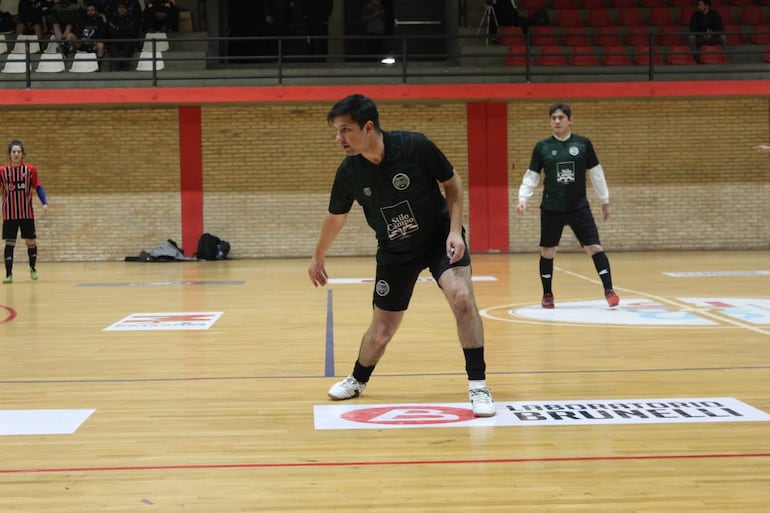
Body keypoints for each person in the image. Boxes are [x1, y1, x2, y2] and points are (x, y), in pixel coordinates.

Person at [307, 94, 496, 418]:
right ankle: (357, 379)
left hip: (439, 239)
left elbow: (452, 184)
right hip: (396, 251)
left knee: (461, 297)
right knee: (383, 329)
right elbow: (336, 216)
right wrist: (318, 256)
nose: (339, 138)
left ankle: (478, 384)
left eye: (345, 130)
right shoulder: (349, 172)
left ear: (368, 127)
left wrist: (455, 231)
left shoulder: (414, 146)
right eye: (337, 131)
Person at [516, 103, 620, 309]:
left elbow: (596, 173)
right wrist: (523, 198)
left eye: (561, 118)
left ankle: (609, 290)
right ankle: (547, 294)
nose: (557, 121)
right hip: (551, 208)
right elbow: (532, 176)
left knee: (594, 247)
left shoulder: (583, 144)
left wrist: (605, 200)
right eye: (553, 118)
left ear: (569, 120)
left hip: (578, 206)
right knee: (547, 251)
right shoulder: (542, 147)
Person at [1, 140, 48, 284]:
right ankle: (9, 274)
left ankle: (32, 268)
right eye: (13, 152)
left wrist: (44, 203)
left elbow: (38, 187)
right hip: (10, 213)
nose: (16, 154)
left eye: (18, 152)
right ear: (9, 154)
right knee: (10, 243)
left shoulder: (30, 170)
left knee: (30, 241)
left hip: (26, 213)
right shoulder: (3, 171)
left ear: (22, 154)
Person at [106, 0, 141, 70]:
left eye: (123, 8)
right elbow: (111, 31)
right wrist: (124, 29)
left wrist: (118, 28)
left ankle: (124, 68)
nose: (122, 10)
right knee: (113, 50)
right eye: (120, 8)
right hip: (115, 40)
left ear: (126, 9)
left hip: (127, 40)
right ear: (117, 9)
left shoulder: (131, 18)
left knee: (128, 50)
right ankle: (118, 68)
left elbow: (132, 30)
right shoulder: (113, 19)